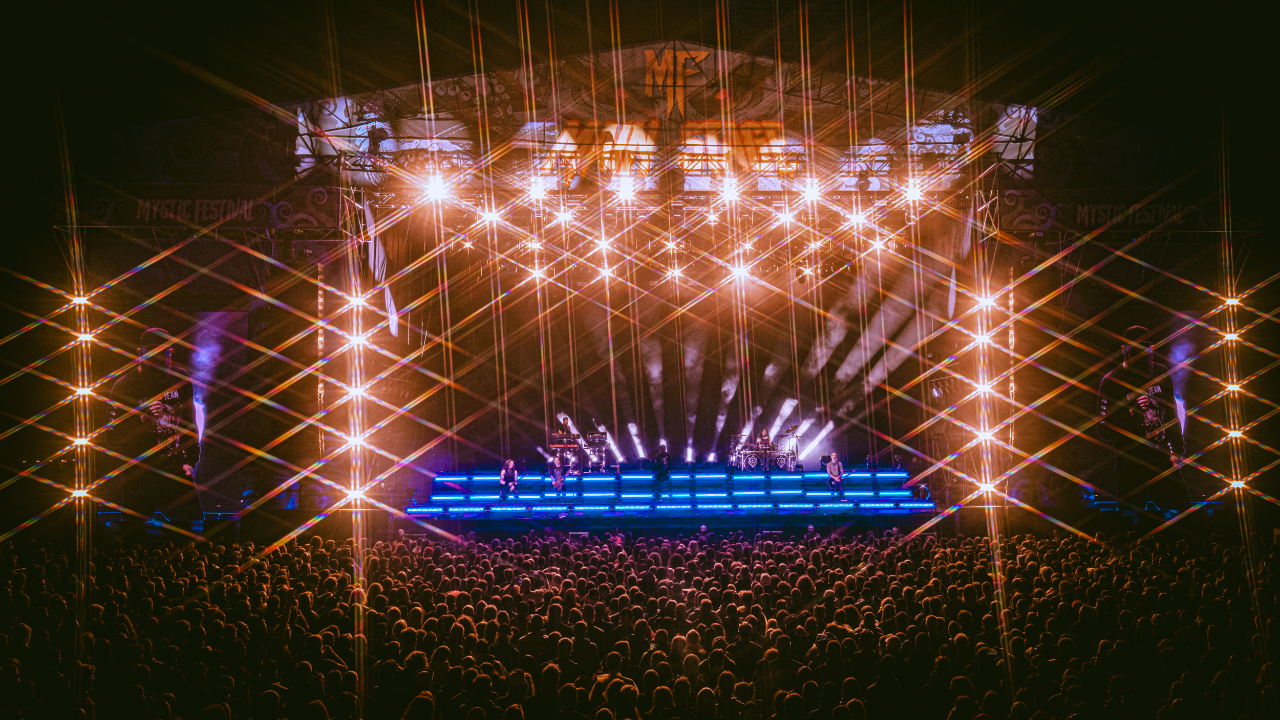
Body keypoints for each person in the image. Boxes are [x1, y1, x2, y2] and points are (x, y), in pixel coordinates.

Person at [104, 327, 203, 529]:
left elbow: (190, 424)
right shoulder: (125, 387)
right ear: (141, 353)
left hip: (175, 469)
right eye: (155, 354)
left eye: (166, 353)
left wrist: (190, 460)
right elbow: (112, 438)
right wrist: (142, 418)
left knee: (194, 532)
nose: (162, 359)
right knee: (135, 539)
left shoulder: (180, 379)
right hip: (139, 477)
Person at [1097, 325, 1189, 515]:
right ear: (1124, 349)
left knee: (1185, 518)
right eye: (1136, 348)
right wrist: (1132, 412)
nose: (1142, 353)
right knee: (1131, 524)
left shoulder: (1160, 372)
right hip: (1130, 467)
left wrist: (1177, 451)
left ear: (1152, 349)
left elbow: (1172, 413)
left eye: (1146, 348)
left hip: (1161, 460)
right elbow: (1103, 430)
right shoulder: (1111, 381)